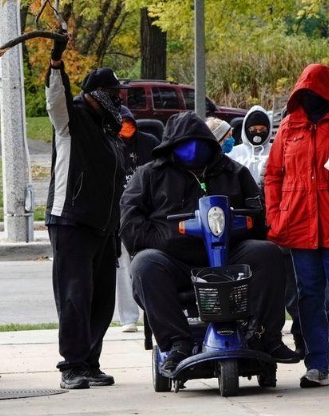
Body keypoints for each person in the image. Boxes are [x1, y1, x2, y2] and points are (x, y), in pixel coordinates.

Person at [119, 112, 300, 377]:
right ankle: (177, 344)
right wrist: (167, 236)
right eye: (184, 144)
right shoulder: (150, 174)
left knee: (267, 253)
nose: (193, 150)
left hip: (228, 254)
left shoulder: (234, 171)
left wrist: (241, 224)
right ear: (171, 146)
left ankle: (266, 336)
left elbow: (257, 215)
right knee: (145, 265)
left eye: (199, 142)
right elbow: (130, 224)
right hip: (176, 258)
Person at [264, 63, 329, 388]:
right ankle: (317, 366)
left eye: (315, 91)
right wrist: (276, 217)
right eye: (304, 91)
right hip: (298, 224)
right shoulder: (288, 127)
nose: (309, 97)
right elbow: (273, 175)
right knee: (308, 296)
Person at [46, 33, 127, 389]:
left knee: (101, 300)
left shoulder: (108, 130)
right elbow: (55, 99)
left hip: (103, 227)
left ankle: (90, 362)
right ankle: (72, 365)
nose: (118, 98)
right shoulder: (72, 120)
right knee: (75, 296)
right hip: (72, 221)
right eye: (112, 93)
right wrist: (56, 63)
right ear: (95, 95)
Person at [115, 106, 160, 333]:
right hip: (122, 213)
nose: (126, 129)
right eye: (121, 124)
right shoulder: (111, 144)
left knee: (150, 261)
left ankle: (153, 312)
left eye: (129, 124)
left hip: (149, 212)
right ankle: (129, 317)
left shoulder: (149, 142)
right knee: (123, 264)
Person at [229, 105, 272, 187]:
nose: (258, 133)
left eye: (262, 130)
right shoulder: (233, 153)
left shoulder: (275, 151)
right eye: (253, 130)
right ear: (246, 129)